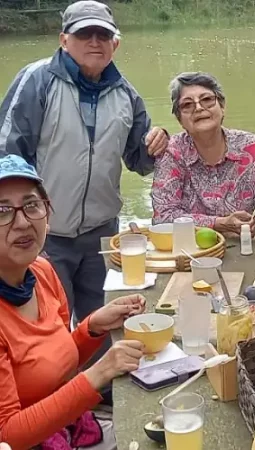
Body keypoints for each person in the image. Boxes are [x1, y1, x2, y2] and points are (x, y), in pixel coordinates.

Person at [0, 0, 168, 405]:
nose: (94, 41)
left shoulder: (126, 93)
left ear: (115, 44)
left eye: (103, 35)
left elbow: (139, 160)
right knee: (47, 336)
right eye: (84, 34)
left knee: (100, 325)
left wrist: (156, 144)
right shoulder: (37, 80)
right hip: (41, 237)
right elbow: (8, 155)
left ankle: (103, 404)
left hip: (102, 234)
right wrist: (15, 219)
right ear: (64, 39)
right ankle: (41, 416)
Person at [0, 154, 146, 450]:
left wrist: (91, 328)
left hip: (72, 426)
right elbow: (8, 435)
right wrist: (101, 371)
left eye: (31, 205)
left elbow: (54, 365)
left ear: (47, 213)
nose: (22, 222)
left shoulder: (41, 271)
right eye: (2, 211)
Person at [151, 71, 255, 235]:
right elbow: (162, 219)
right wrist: (219, 223)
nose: (199, 108)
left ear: (222, 107)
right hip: (191, 254)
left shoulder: (252, 147)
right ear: (180, 119)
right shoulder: (172, 153)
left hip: (247, 250)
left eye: (207, 100)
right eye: (187, 105)